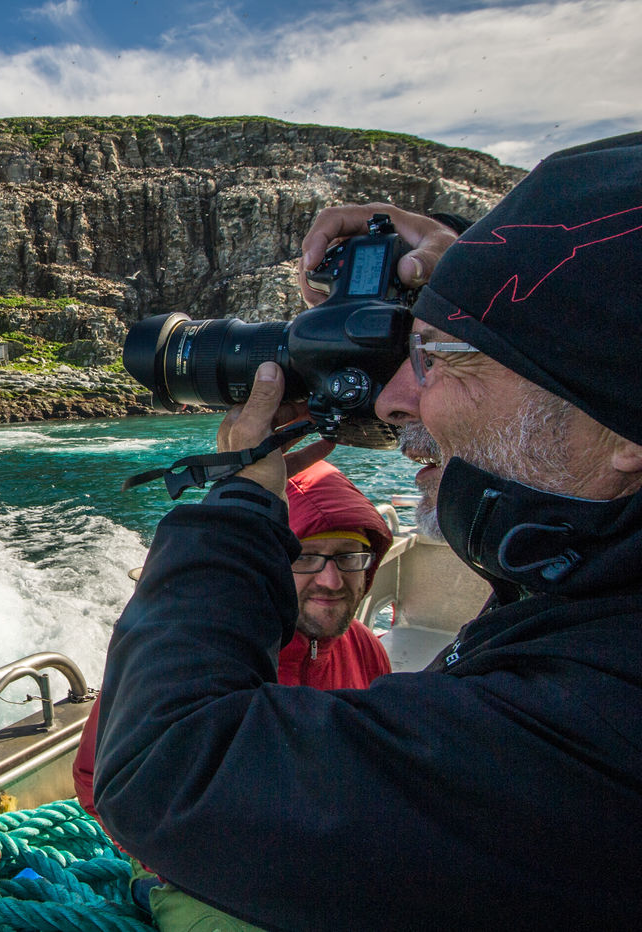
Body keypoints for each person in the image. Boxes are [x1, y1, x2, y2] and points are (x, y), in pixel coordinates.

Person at [92, 131, 642, 931]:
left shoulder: (596, 731)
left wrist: (240, 503)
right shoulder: (593, 579)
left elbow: (167, 766)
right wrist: (474, 261)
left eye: (445, 359)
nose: (393, 403)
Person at [74, 459, 392, 820]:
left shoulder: (365, 647)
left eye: (348, 556)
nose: (332, 582)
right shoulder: (193, 654)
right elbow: (98, 780)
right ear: (267, 564)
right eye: (305, 557)